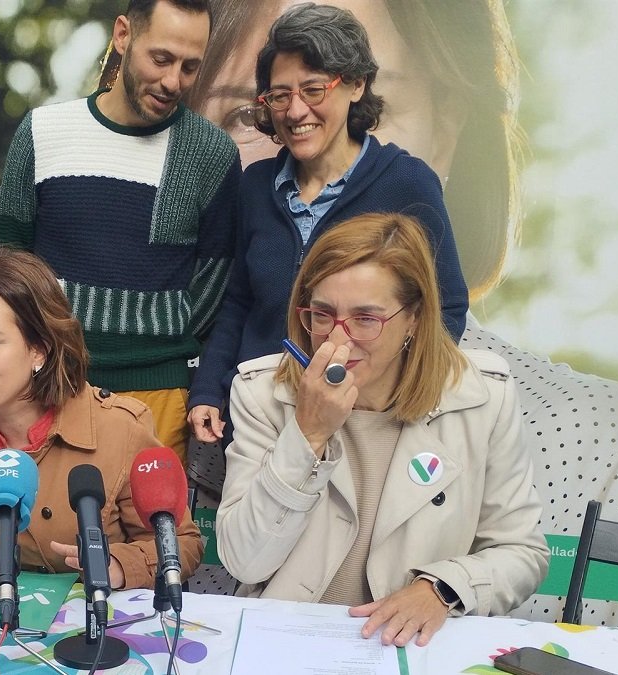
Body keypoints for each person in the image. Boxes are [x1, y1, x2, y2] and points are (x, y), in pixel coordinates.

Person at [183, 0, 618, 630]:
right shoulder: (171, 421)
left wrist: (448, 585)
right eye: (251, 111)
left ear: (447, 131)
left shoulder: (607, 451)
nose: (302, 121)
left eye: (331, 93)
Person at [217, 213, 548, 646]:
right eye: (322, 314)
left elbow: (523, 553)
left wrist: (442, 588)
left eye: (365, 319)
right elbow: (245, 562)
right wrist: (308, 434)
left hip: (404, 645)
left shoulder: (483, 397)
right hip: (289, 641)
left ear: (413, 318)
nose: (339, 339)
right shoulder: (262, 391)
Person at [186, 2, 468, 454]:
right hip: (262, 420)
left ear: (356, 84)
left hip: (365, 430)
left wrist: (396, 396)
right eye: (279, 95)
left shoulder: (408, 183)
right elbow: (237, 304)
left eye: (313, 90)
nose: (295, 111)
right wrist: (207, 390)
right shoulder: (255, 187)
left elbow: (447, 308)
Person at [0, 0, 240, 465]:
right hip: (51, 388)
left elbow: (214, 283)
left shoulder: (211, 153)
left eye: (191, 66)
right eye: (162, 59)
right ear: (124, 35)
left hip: (160, 398)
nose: (174, 82)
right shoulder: (42, 132)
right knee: (43, 532)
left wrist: (157, 344)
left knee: (151, 537)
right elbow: (11, 269)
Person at [0, 247, 203, 590]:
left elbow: (182, 543)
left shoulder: (120, 429)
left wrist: (117, 566)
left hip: (86, 630)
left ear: (40, 349)